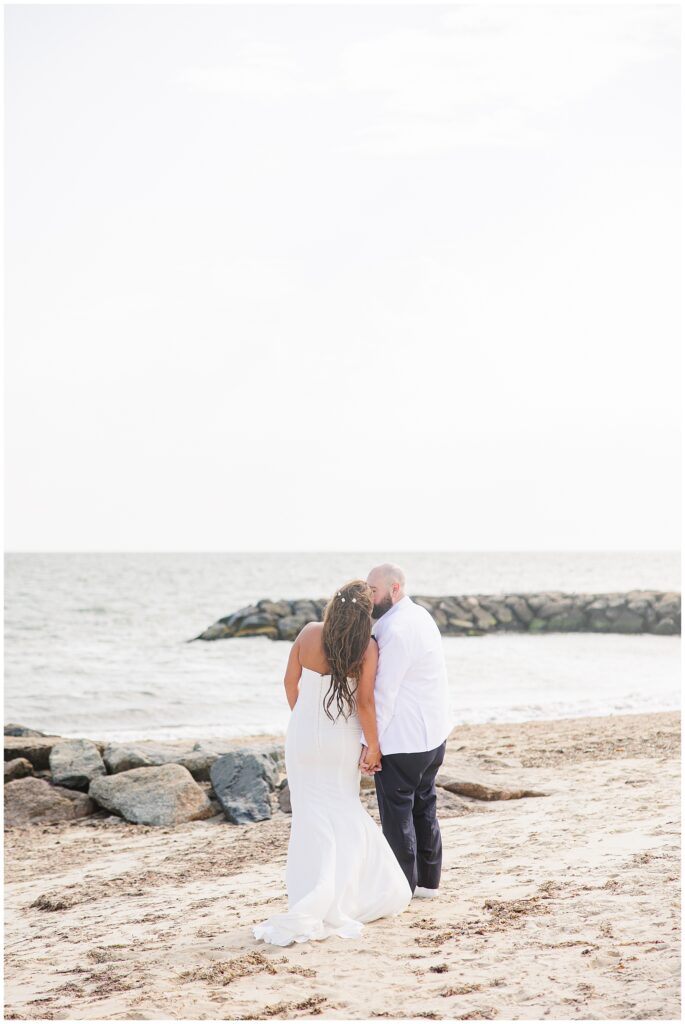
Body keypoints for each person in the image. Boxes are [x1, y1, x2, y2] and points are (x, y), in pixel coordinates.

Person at [252, 579, 412, 947]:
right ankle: (346, 894)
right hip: (341, 741)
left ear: (332, 607)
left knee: (309, 815)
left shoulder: (308, 633)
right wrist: (373, 745)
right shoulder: (367, 646)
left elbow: (290, 683)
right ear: (364, 615)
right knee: (343, 809)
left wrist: (307, 721)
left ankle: (311, 893)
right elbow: (366, 703)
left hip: (303, 738)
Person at [359, 563, 451, 898]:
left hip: (404, 740)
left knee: (398, 817)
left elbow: (383, 694)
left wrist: (370, 744)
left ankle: (403, 888)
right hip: (432, 735)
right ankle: (428, 883)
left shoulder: (393, 629)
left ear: (394, 588)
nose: (368, 597)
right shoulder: (420, 616)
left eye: (373, 590)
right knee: (424, 807)